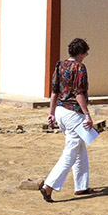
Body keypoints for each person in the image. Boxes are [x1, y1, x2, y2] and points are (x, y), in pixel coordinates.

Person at [39, 38, 95, 203]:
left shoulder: (59, 65)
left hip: (61, 111)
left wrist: (51, 113)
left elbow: (55, 91)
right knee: (70, 151)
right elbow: (79, 93)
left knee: (79, 149)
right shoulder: (80, 67)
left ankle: (81, 186)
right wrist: (87, 114)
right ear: (82, 52)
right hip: (74, 114)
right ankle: (49, 186)